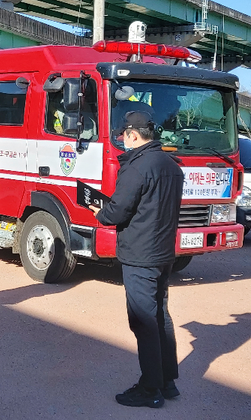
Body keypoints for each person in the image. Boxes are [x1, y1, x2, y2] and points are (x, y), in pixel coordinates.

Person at [89, 110, 184, 408]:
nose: (122, 141)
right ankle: (167, 381)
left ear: (132, 135)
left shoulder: (137, 167)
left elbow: (117, 212)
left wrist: (100, 213)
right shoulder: (172, 166)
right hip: (163, 252)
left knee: (143, 321)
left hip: (140, 254)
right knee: (160, 317)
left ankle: (149, 388)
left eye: (123, 136)